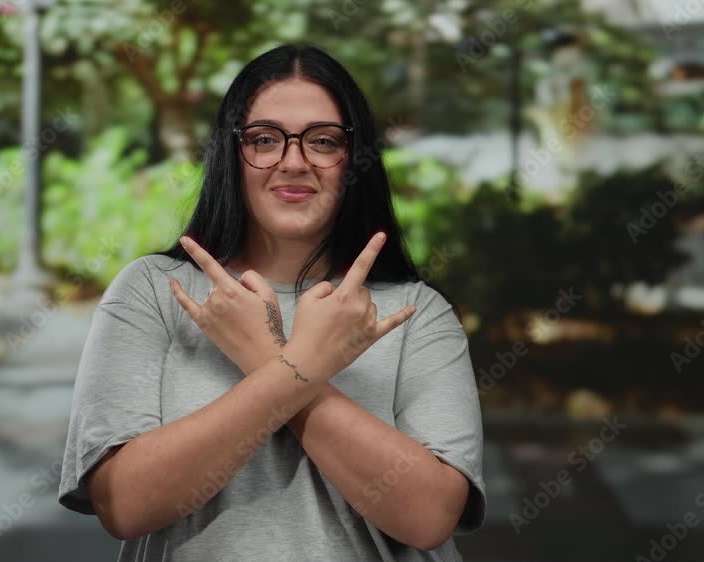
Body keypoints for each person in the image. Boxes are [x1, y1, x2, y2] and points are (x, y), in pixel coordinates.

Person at [58, 43, 486, 561]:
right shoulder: (153, 291)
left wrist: (265, 356)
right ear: (230, 153)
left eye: (323, 141)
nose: (294, 161)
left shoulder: (414, 313)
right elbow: (124, 505)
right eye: (264, 139)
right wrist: (298, 366)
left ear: (355, 158)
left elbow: (430, 517)